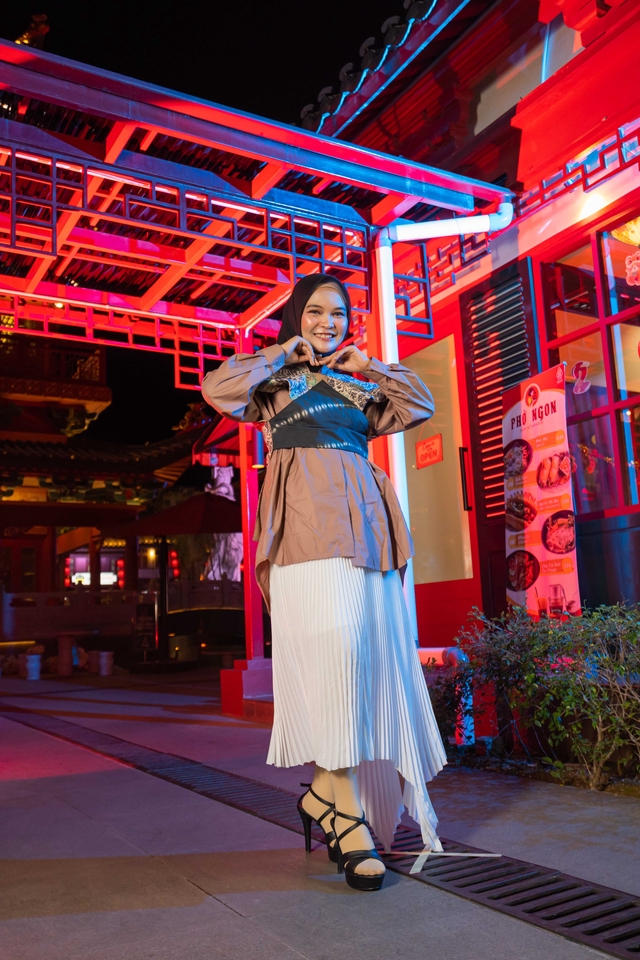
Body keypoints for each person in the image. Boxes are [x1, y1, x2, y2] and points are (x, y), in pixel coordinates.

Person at [202, 274, 446, 892]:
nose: (327, 323)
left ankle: (326, 799)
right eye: (314, 312)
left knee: (358, 667)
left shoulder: (360, 387)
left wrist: (370, 365)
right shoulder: (274, 383)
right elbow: (217, 388)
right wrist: (280, 352)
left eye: (338, 314)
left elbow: (421, 403)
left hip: (366, 533)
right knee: (329, 665)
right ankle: (345, 816)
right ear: (296, 318)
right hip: (304, 536)